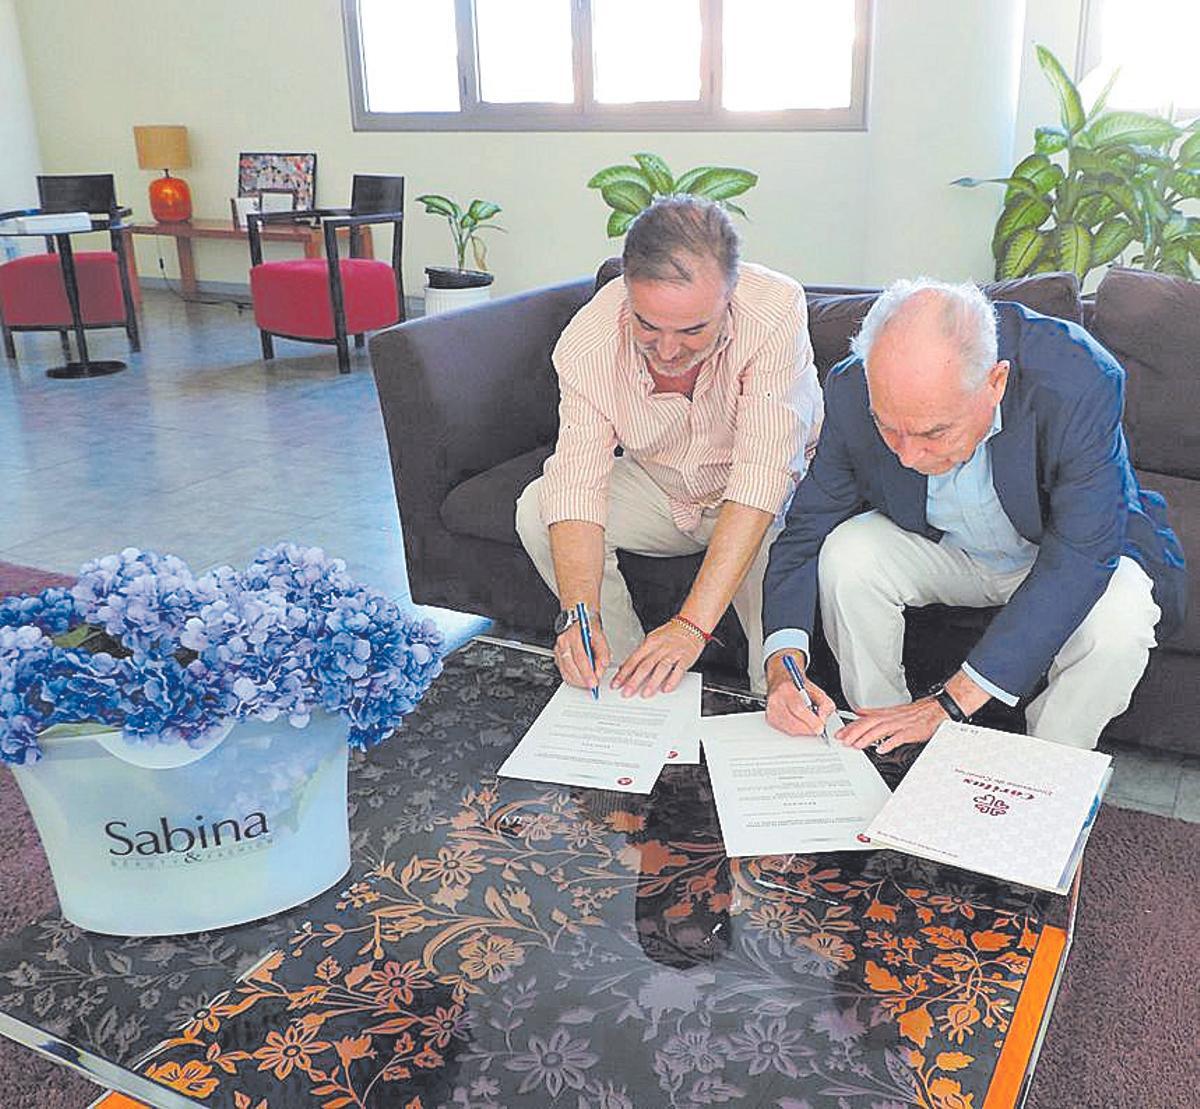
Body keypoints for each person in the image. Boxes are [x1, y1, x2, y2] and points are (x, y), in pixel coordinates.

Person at [762, 277, 1186, 752]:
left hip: (1064, 551)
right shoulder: (850, 387)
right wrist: (783, 667)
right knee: (848, 553)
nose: (907, 456)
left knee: (1119, 620)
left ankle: (1048, 766)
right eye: (889, 429)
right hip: (952, 549)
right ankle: (885, 743)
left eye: (933, 433)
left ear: (995, 382)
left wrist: (948, 703)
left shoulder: (1078, 377)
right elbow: (806, 529)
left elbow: (1083, 554)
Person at [515, 196, 822, 698]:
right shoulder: (588, 340)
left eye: (693, 329)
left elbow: (763, 473)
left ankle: (771, 703)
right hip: (666, 489)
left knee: (773, 566)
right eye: (648, 325)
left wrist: (690, 628)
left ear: (730, 293)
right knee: (538, 506)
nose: (669, 350)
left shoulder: (775, 309)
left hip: (767, 500)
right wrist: (578, 612)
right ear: (628, 290)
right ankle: (625, 680)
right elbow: (576, 480)